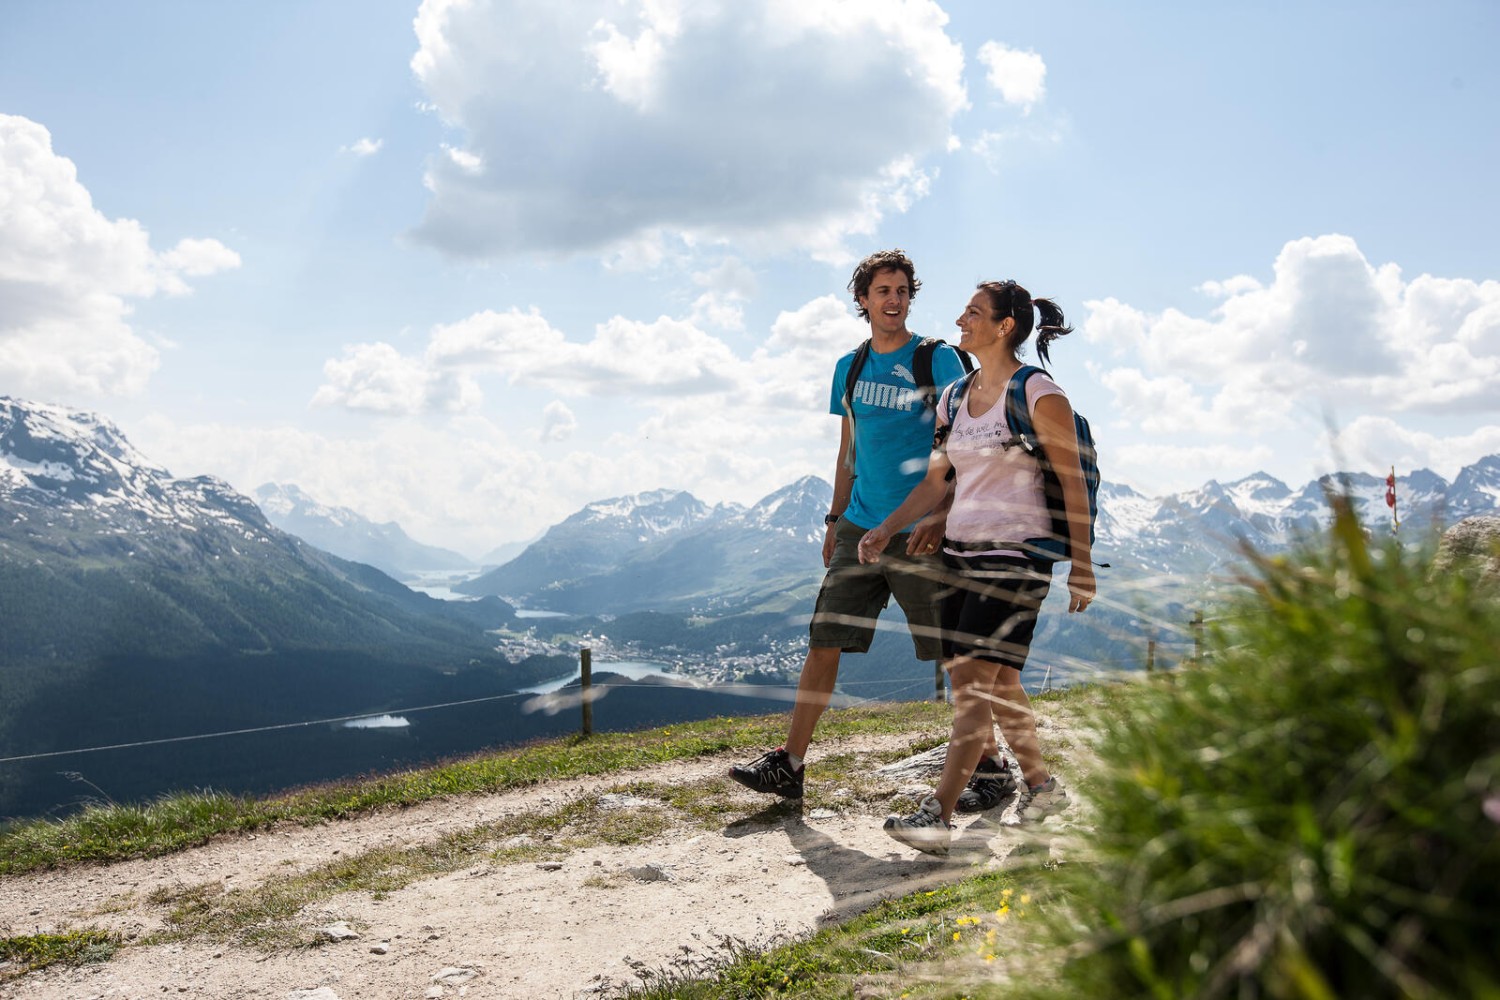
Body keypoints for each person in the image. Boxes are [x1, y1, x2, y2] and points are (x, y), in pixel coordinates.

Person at [856, 280, 1096, 856]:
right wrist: (889, 527)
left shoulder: (1039, 394)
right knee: (1002, 682)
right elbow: (939, 479)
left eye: (973, 312)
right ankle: (1041, 788)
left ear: (1005, 326)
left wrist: (1081, 565)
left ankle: (935, 815)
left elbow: (1070, 482)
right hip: (960, 555)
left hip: (1016, 559)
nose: (961, 320)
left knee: (969, 685)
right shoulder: (955, 397)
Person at [729, 249, 968, 798]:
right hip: (859, 527)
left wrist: (941, 512)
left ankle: (990, 765)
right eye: (883, 291)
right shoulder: (850, 367)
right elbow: (847, 452)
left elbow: (962, 446)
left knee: (952, 651)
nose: (894, 300)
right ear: (862, 300)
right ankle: (790, 764)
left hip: (917, 530)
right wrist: (835, 519)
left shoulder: (938, 360)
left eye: (903, 291)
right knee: (825, 640)